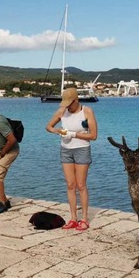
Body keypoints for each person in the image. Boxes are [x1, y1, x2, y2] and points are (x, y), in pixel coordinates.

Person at [45, 88, 98, 231]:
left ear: (76, 100)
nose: (68, 106)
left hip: (82, 149)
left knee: (81, 185)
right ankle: (73, 218)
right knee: (70, 185)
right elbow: (48, 126)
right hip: (65, 150)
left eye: (70, 103)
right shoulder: (62, 111)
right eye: (66, 103)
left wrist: (73, 134)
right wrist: (59, 132)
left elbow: (93, 136)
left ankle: (84, 219)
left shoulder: (86, 111)